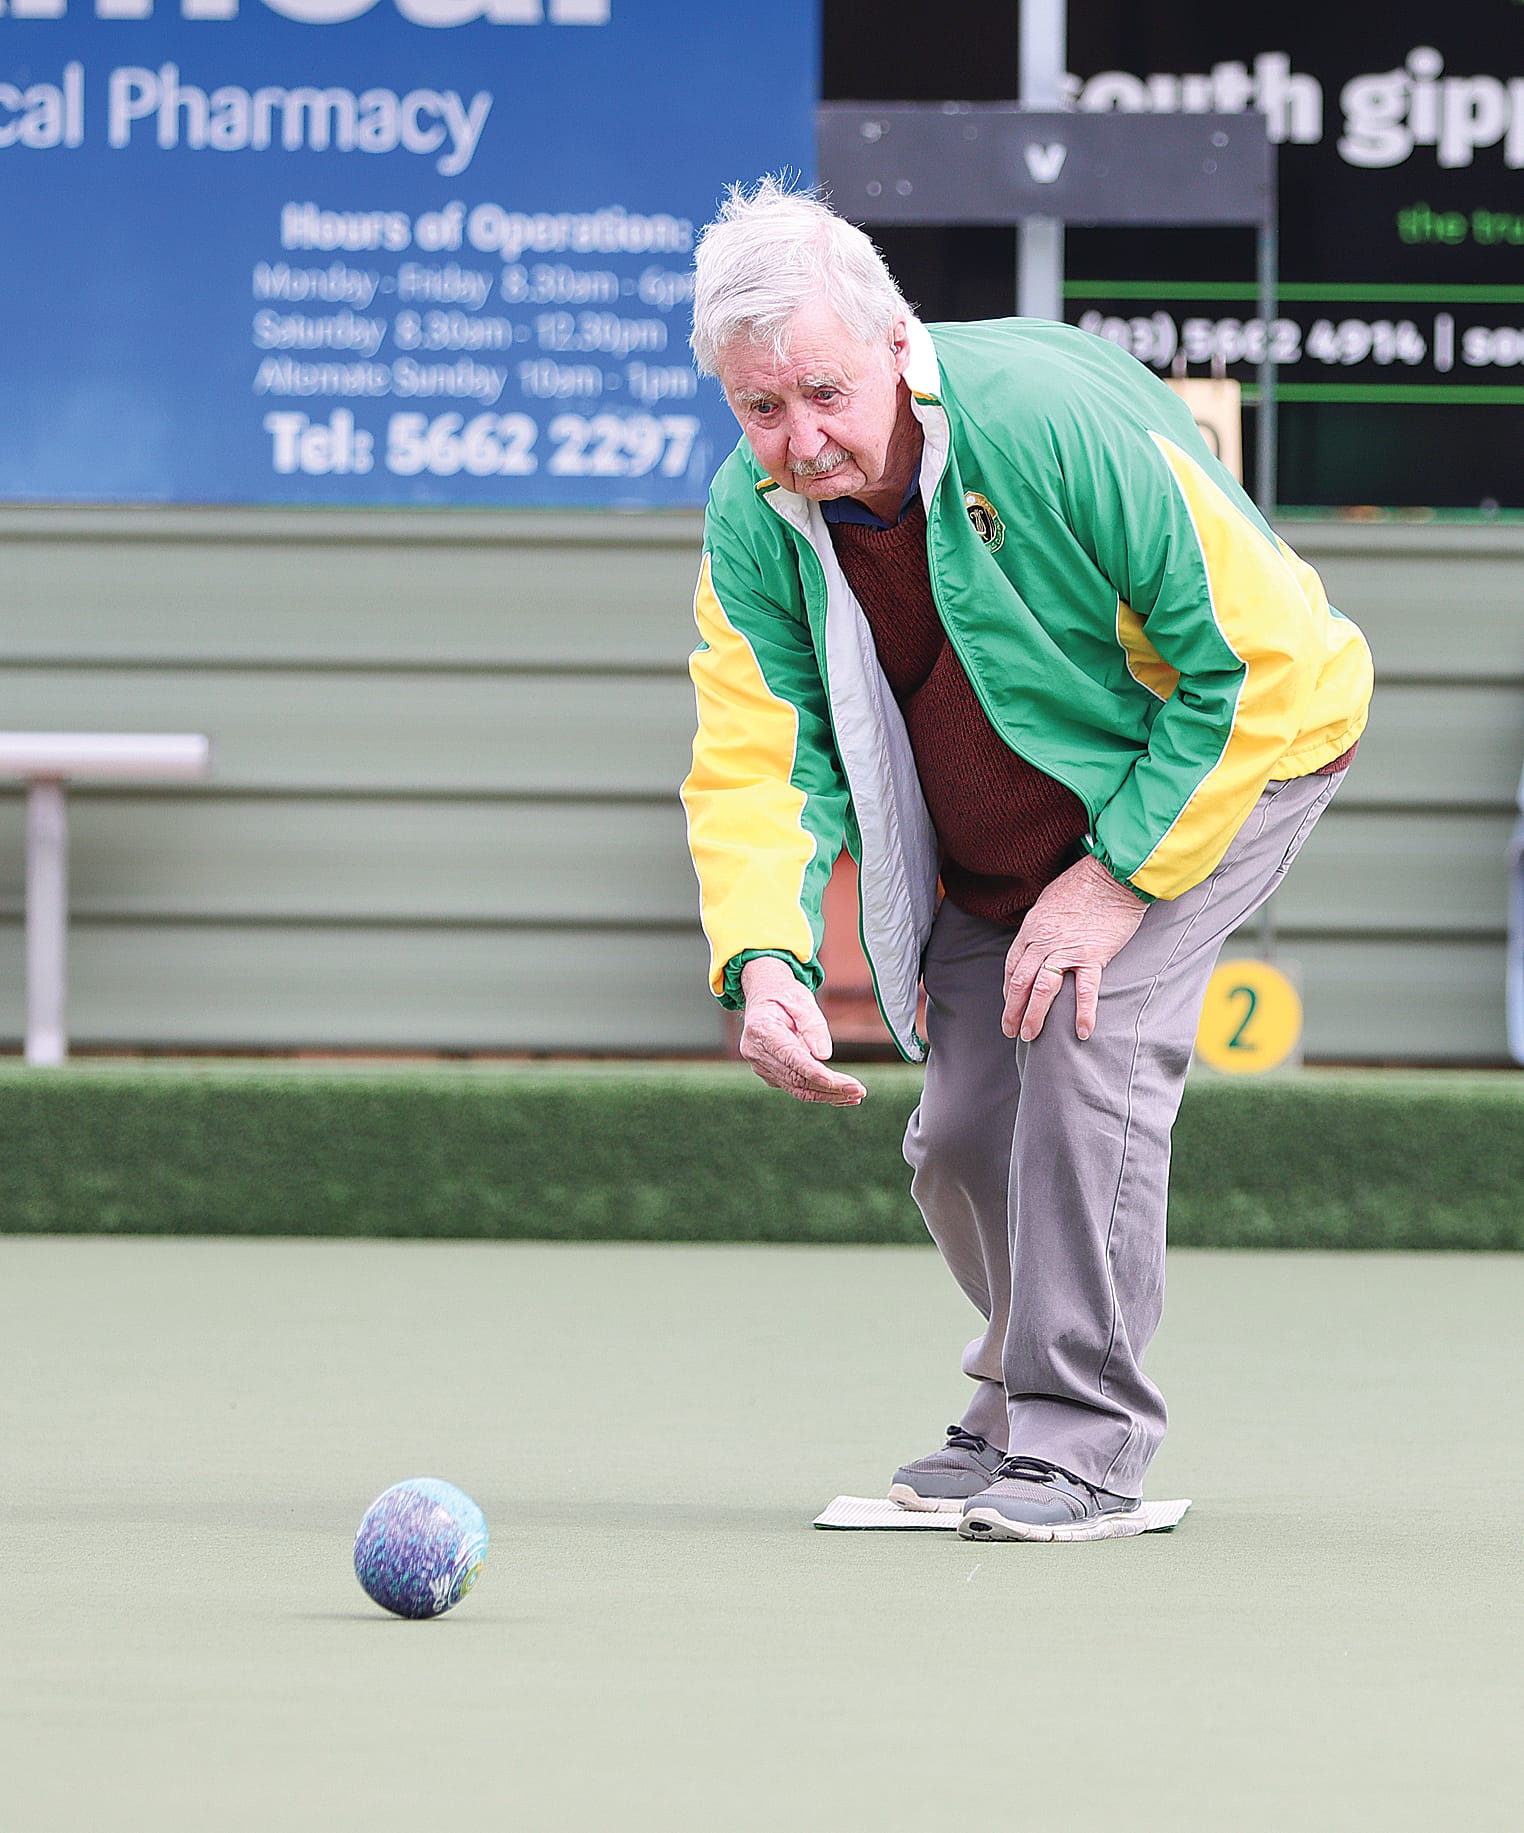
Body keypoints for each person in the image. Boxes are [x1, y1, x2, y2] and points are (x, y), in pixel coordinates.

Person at [680, 178, 1372, 1542]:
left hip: (1241, 749)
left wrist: (1117, 878)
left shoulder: (1054, 422)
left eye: (823, 392)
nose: (800, 439)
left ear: (893, 342)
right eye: (761, 408)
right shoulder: (753, 518)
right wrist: (762, 956)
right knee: (959, 1137)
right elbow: (758, 754)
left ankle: (1083, 1439)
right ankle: (1015, 1383)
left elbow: (1262, 662)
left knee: (1079, 1040)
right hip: (1005, 839)